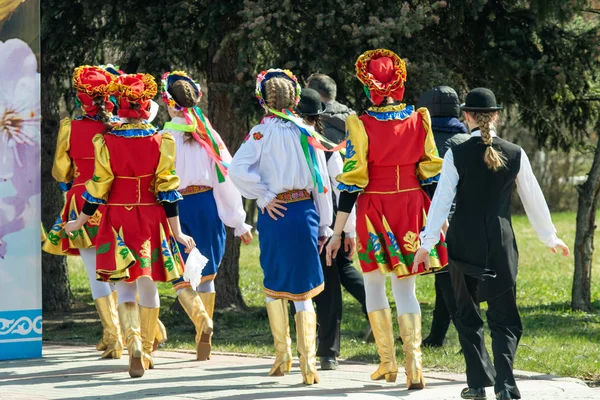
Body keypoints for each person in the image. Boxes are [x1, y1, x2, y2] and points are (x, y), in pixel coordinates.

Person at [414, 88, 570, 400]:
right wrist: (549, 237)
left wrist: (427, 242)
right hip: (501, 242)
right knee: (505, 317)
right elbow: (533, 199)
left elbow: (442, 201)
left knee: (467, 313)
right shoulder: (515, 152)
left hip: (463, 241)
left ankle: (477, 384)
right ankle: (506, 387)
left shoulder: (455, 151)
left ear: (466, 116)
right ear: (496, 115)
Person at [326, 49, 448, 390]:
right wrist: (437, 218)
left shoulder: (360, 125)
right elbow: (431, 174)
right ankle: (415, 366)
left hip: (374, 209)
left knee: (374, 285)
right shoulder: (420, 119)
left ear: (369, 89)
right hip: (411, 208)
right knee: (405, 288)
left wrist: (337, 233)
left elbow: (352, 182)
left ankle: (387, 363)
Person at [65, 72, 197, 379]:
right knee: (148, 287)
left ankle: (133, 343)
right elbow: (167, 189)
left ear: (119, 104)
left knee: (124, 287)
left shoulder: (105, 141)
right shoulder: (161, 140)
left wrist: (81, 220)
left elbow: (97, 187)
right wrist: (177, 231)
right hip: (150, 218)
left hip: (117, 220)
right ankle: (147, 350)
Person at [229, 69, 333, 385]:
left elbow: (236, 169)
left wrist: (265, 195)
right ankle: (309, 365)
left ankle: (281, 357)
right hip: (303, 213)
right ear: (295, 98)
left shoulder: (260, 134)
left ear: (264, 101)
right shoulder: (307, 132)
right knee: (303, 290)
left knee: (274, 282)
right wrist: (325, 224)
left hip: (274, 214)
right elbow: (321, 182)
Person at [159, 71, 253, 360]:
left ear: (168, 103)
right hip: (207, 206)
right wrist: (238, 221)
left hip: (175, 208)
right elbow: (225, 177)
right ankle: (204, 341)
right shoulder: (208, 135)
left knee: (181, 275)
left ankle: (203, 322)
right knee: (207, 274)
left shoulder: (163, 136)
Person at [43, 65, 123, 360]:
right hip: (115, 201)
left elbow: (60, 171)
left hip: (81, 200)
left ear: (80, 99)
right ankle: (124, 333)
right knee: (120, 268)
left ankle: (113, 337)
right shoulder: (117, 127)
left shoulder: (70, 128)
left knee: (96, 274)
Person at [296, 87, 358, 371]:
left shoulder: (327, 145)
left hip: (312, 221)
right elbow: (343, 189)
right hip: (327, 221)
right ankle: (325, 351)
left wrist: (345, 231)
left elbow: (340, 187)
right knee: (328, 288)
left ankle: (317, 350)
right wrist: (348, 230)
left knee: (317, 286)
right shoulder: (323, 142)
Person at [306, 74, 371, 344]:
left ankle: (327, 343)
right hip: (352, 203)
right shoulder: (352, 119)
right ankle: (376, 310)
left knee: (332, 271)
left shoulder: (316, 124)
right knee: (343, 265)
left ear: (316, 95)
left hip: (327, 207)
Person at [416, 86, 471, 348]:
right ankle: (437, 335)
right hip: (464, 217)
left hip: (431, 217)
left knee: (446, 279)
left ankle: (466, 335)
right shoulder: (467, 140)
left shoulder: (419, 140)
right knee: (448, 277)